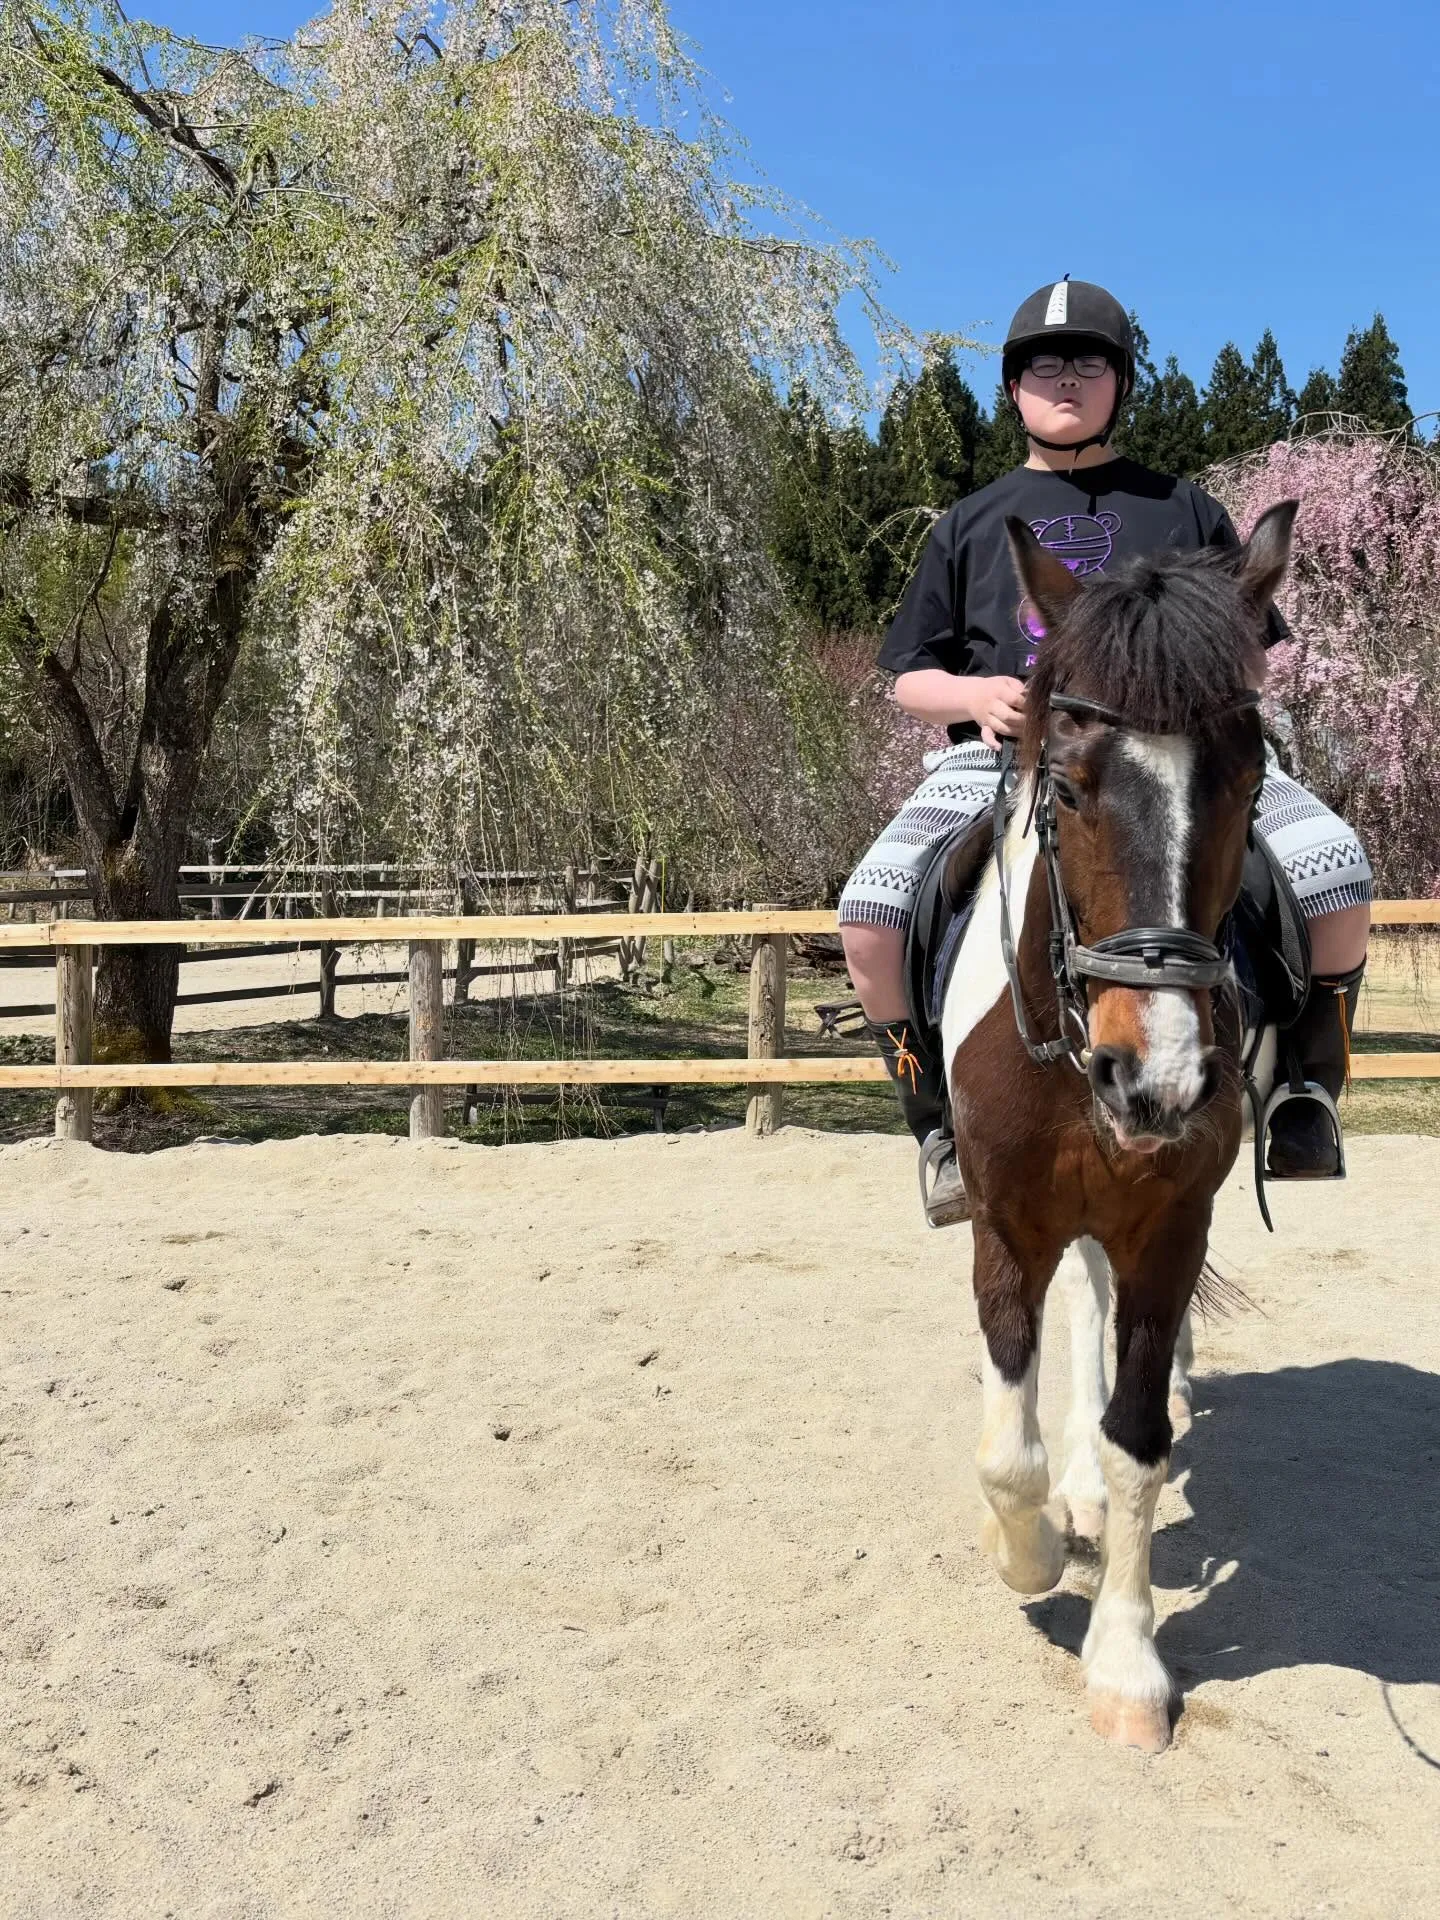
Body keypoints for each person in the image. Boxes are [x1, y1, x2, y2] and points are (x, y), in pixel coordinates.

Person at [839, 277, 1372, 1227]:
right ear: (1013, 388)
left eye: (1090, 361)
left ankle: (1305, 1092)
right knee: (871, 912)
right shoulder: (968, 523)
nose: (1067, 379)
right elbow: (906, 678)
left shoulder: (1185, 509)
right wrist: (974, 693)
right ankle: (935, 1124)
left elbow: (1250, 639)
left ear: (1122, 382)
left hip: (1179, 761)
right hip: (996, 760)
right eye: (1044, 363)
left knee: (1336, 867)